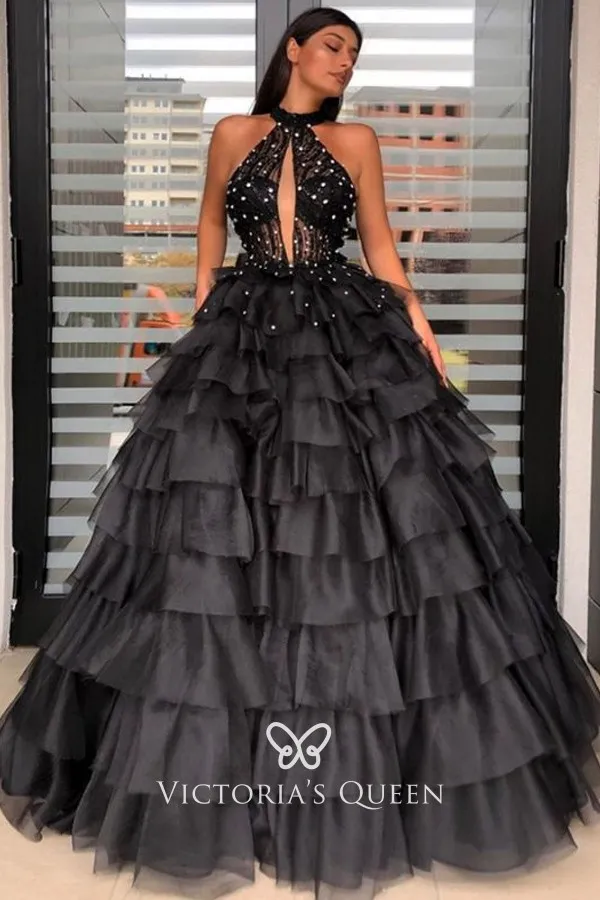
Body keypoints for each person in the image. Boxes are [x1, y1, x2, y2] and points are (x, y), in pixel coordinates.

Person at [1, 7, 600, 899]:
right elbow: (209, 223)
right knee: (214, 523)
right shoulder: (231, 133)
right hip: (240, 332)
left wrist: (421, 328)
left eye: (354, 52)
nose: (345, 62)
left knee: (350, 519)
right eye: (332, 46)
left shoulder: (357, 141)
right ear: (293, 49)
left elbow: (381, 244)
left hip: (338, 329)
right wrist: (201, 308)